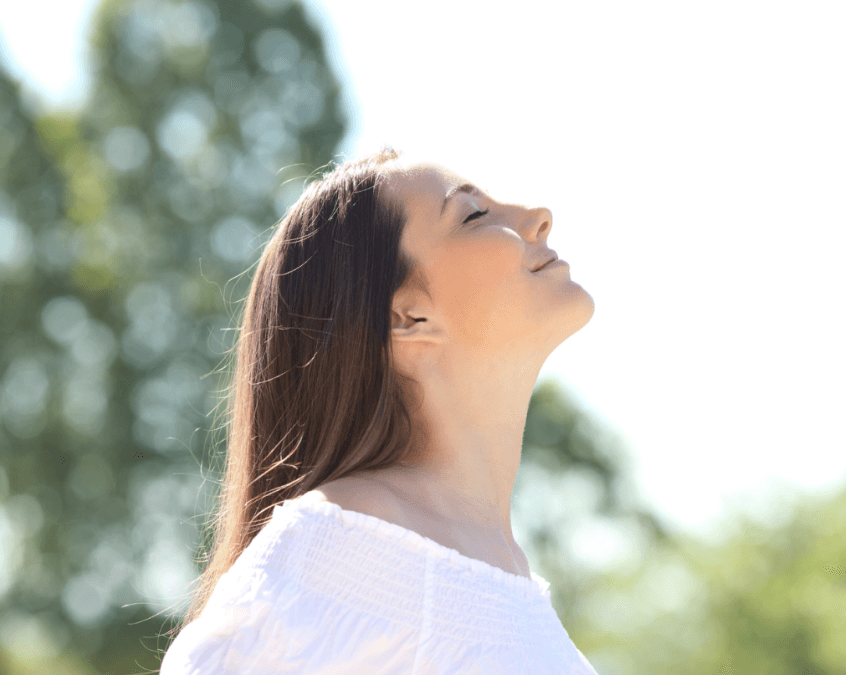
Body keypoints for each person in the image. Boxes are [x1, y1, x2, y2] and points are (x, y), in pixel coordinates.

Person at [158, 145, 598, 674]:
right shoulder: (339, 550)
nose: (537, 217)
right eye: (474, 214)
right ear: (408, 317)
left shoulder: (513, 591)